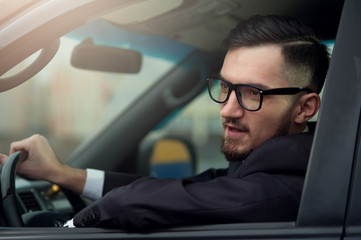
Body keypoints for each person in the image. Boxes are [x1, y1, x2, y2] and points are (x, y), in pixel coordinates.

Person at [0, 15, 330, 230]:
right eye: (226, 87)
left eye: (252, 93)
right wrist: (61, 174)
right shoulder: (280, 161)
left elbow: (137, 201)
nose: (227, 109)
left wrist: (69, 229)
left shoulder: (289, 186)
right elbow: (189, 190)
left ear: (305, 108)